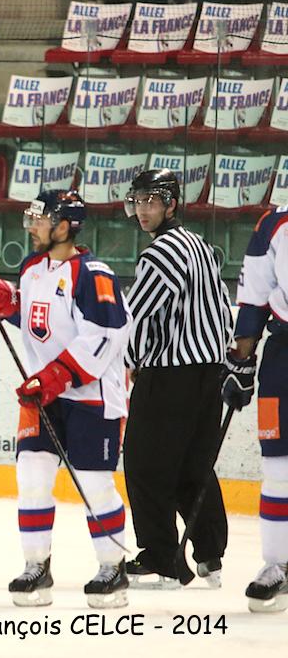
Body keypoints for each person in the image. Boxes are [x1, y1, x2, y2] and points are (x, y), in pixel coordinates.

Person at [0, 190, 132, 608]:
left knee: (95, 484)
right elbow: (37, 316)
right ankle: (36, 566)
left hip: (90, 395)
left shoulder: (94, 275)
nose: (32, 226)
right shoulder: (32, 267)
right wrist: (4, 300)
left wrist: (56, 375)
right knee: (32, 477)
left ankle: (113, 567)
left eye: (40, 220)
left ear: (64, 226)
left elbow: (106, 335)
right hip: (43, 394)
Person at [122, 168, 233, 588]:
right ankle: (210, 555)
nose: (143, 209)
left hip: (169, 374)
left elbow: (134, 317)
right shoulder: (201, 246)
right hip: (208, 374)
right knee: (194, 465)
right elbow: (222, 309)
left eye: (152, 200)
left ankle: (160, 557)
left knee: (145, 464)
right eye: (138, 201)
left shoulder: (160, 253)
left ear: (171, 203)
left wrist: (128, 360)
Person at [221, 204, 288, 613]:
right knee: (278, 467)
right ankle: (276, 565)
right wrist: (241, 361)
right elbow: (254, 297)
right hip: (283, 354)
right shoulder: (274, 223)